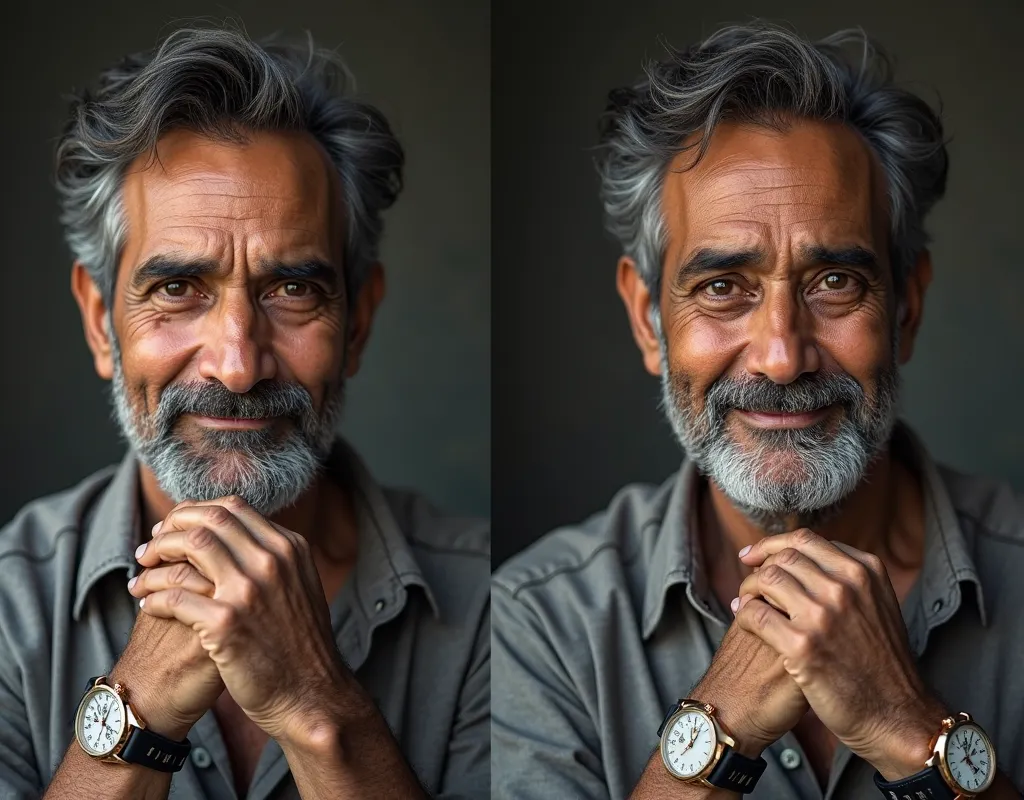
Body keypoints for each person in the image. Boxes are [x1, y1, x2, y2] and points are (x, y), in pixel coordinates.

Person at [492, 22, 1023, 800]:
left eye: (835, 282)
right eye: (721, 286)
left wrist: (910, 726)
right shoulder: (537, 624)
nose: (782, 355)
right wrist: (723, 717)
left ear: (906, 306)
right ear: (647, 320)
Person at [0, 25, 490, 800]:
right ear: (100, 321)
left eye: (292, 290)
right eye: (176, 289)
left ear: (357, 323)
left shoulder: (495, 607)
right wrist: (136, 711)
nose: (237, 363)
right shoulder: (7, 608)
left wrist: (318, 707)